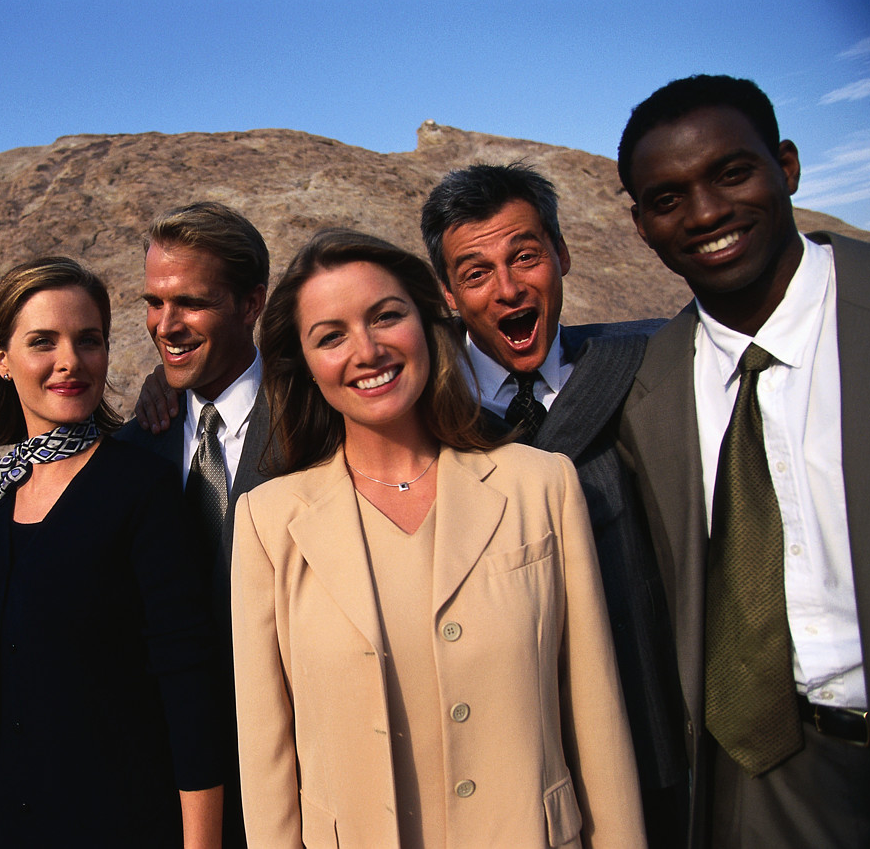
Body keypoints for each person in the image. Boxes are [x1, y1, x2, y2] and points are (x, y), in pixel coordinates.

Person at [231, 228, 646, 847]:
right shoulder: (268, 523)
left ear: (428, 324)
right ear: (305, 365)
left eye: (386, 316)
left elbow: (597, 719)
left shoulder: (540, 485)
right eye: (331, 336)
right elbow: (266, 760)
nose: (367, 350)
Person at [616, 74, 870, 847]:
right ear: (641, 225)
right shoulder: (645, 392)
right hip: (767, 780)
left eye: (732, 173)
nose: (706, 213)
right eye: (668, 199)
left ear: (787, 166)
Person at [421, 162, 688, 846]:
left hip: (649, 733)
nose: (508, 288)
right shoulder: (418, 411)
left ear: (562, 254)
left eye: (526, 256)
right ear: (447, 292)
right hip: (499, 767)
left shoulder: (645, 372)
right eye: (476, 273)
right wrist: (172, 387)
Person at [0, 257, 224, 848]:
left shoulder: (141, 487)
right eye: (43, 342)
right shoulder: (0, 496)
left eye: (88, 340)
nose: (70, 361)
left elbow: (189, 688)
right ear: (1, 359)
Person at [117, 201, 271, 847]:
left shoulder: (321, 421)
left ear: (251, 303)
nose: (166, 325)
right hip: (170, 794)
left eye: (191, 303)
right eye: (154, 302)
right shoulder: (131, 450)